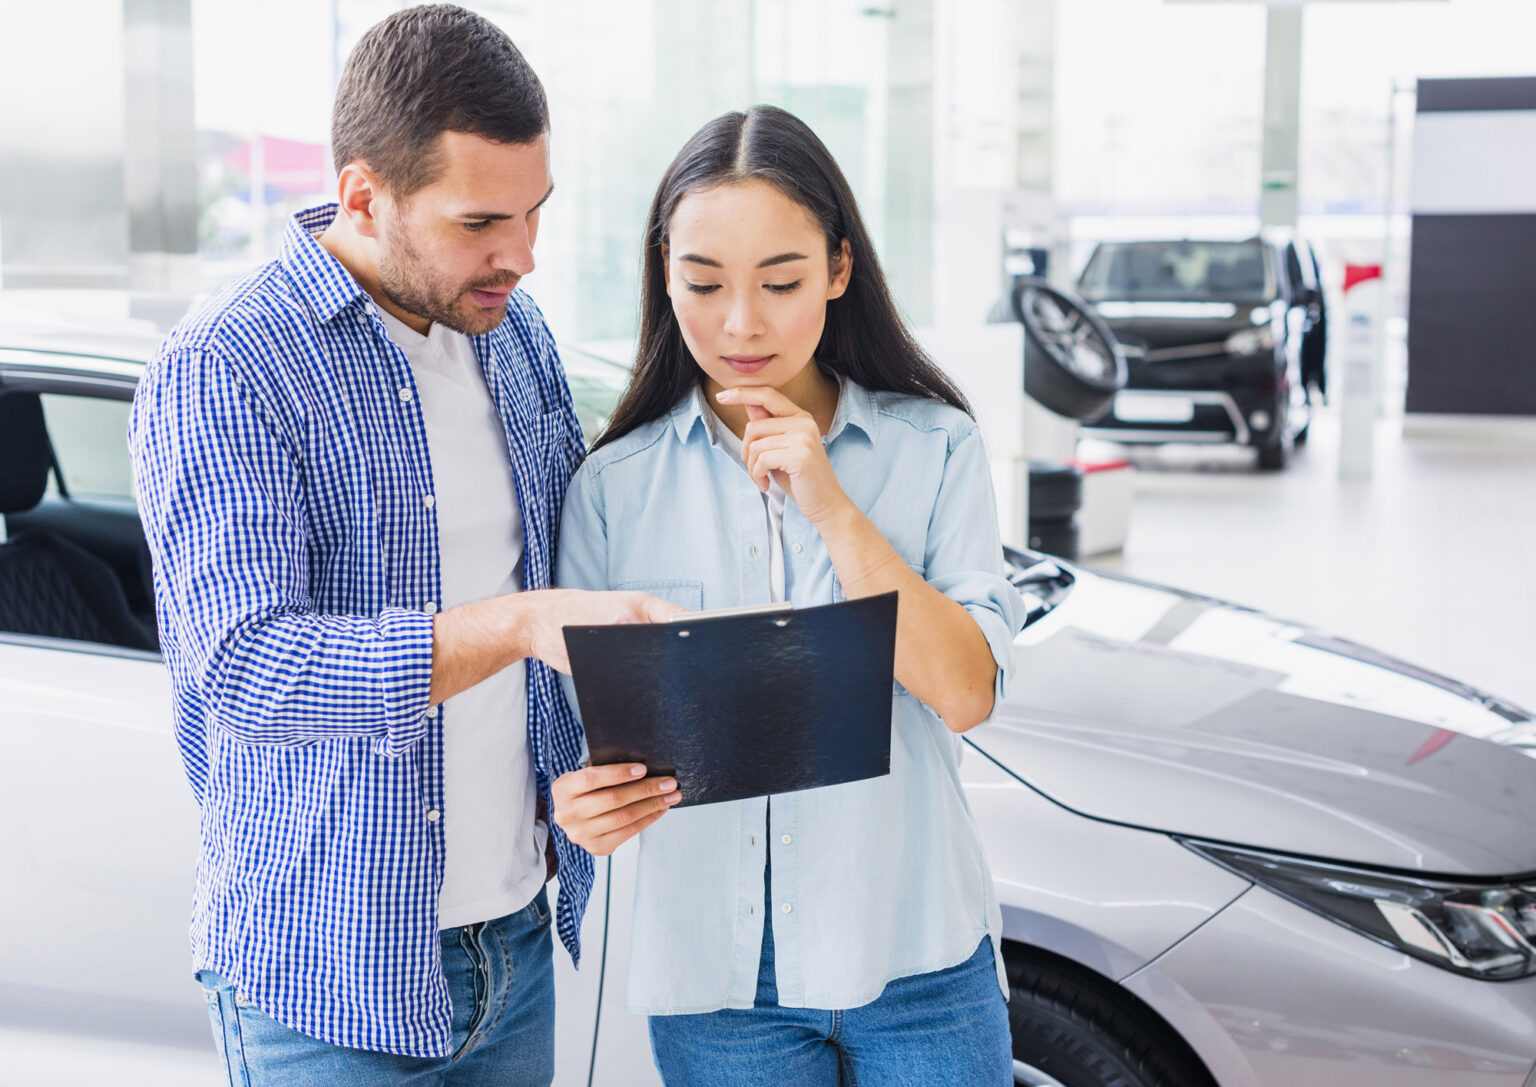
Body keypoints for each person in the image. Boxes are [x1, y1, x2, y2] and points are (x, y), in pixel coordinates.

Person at [127, 6, 678, 1084]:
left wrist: (569, 778)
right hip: (325, 977)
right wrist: (518, 628)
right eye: (481, 222)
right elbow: (248, 667)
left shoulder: (511, 331)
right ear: (366, 195)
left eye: (535, 213)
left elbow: (561, 581)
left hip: (512, 943)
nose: (520, 254)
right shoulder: (226, 368)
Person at [550, 105, 1025, 1085]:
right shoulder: (611, 491)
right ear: (664, 274)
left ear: (839, 270)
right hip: (717, 986)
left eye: (780, 281)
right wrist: (588, 807)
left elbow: (967, 691)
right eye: (704, 282)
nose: (741, 323)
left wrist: (831, 504)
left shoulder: (936, 447)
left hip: (918, 957)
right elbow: (597, 747)